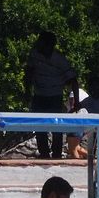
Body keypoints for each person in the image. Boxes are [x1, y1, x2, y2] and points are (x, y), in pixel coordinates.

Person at [24, 31, 79, 159]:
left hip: (55, 96)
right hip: (39, 95)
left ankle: (56, 154)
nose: (38, 44)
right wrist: (27, 91)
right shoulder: (34, 55)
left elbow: (73, 81)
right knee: (39, 126)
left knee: (56, 126)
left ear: (48, 44)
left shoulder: (60, 59)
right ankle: (44, 154)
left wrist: (76, 101)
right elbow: (29, 73)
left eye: (41, 42)